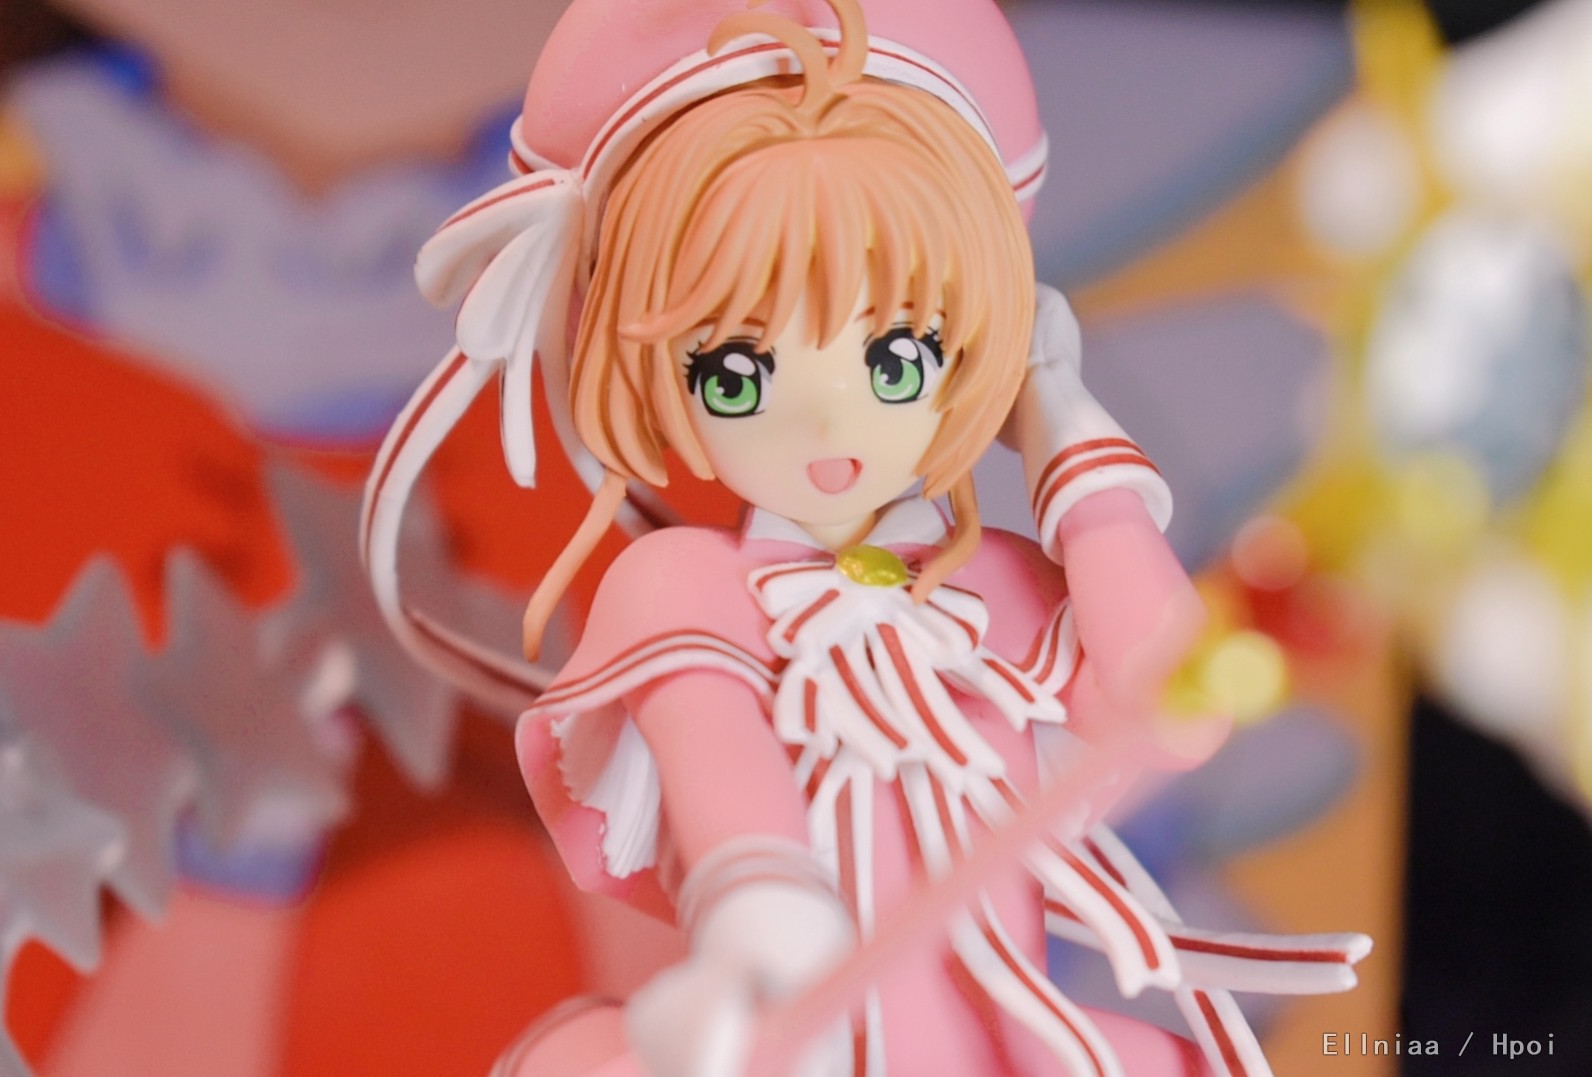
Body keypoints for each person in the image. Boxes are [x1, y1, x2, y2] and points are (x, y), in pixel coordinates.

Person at [364, 1, 1371, 1073]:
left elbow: (1173, 702)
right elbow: (712, 751)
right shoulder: (684, 583)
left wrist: (1064, 431)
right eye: (737, 374)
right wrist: (757, 910)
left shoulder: (1000, 593)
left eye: (896, 359)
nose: (827, 422)